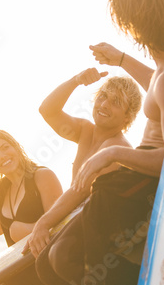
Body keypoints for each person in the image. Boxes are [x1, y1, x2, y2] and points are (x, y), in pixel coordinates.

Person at [34, 0, 164, 285]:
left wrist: (114, 153)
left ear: (134, 26)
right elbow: (158, 86)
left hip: (140, 182)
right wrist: (120, 59)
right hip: (135, 177)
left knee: (61, 260)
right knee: (48, 262)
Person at [23, 69, 143, 258]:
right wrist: (76, 80)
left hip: (97, 239)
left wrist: (43, 223)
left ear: (128, 116)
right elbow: (48, 111)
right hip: (74, 222)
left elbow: (79, 191)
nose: (104, 104)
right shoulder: (85, 130)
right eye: (102, 96)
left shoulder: (117, 148)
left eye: (116, 102)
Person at [0, 129, 63, 285]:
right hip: (19, 275)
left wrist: (24, 229)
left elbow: (60, 229)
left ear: (16, 147)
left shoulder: (42, 176)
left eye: (5, 147)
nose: (2, 156)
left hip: (49, 275)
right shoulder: (2, 188)